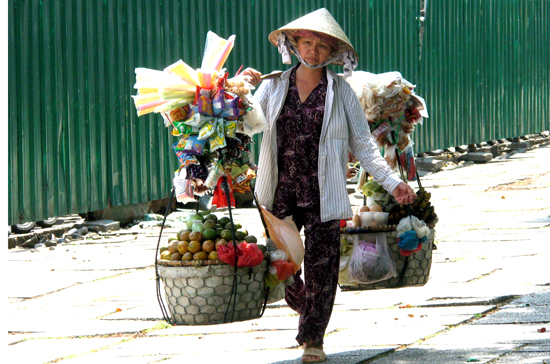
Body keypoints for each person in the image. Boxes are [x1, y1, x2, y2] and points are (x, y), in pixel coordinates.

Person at [240, 8, 417, 363]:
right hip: (279, 188)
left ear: (332, 53)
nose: (313, 51)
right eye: (307, 42)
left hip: (324, 190)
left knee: (323, 264)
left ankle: (313, 339)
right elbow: (247, 125)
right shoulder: (273, 85)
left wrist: (394, 182)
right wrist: (241, 90)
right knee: (281, 265)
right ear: (295, 43)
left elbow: (365, 145)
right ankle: (307, 304)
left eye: (322, 46)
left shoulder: (342, 92)